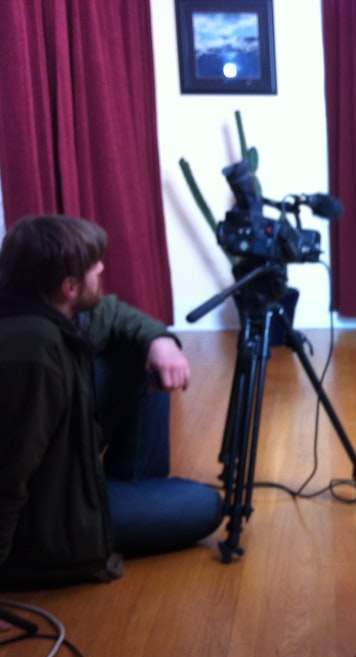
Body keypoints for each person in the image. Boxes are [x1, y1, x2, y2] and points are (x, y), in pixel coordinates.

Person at [0, 214, 223, 588]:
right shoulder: (33, 353)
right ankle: (120, 512)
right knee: (205, 505)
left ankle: (132, 494)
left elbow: (115, 314)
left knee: (136, 351)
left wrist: (160, 342)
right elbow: (6, 474)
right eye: (93, 265)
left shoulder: (39, 309)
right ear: (69, 287)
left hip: (68, 485)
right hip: (48, 527)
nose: (102, 267)